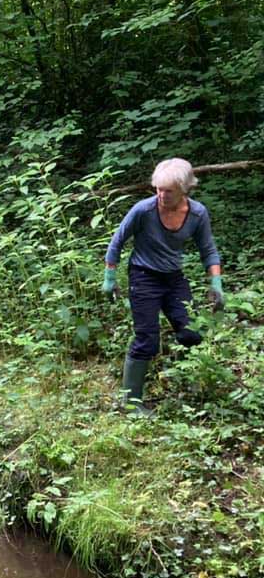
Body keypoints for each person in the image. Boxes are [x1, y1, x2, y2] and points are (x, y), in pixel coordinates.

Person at [102, 157, 223, 415]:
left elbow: (208, 250)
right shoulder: (144, 210)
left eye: (168, 190)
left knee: (191, 332)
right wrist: (109, 279)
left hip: (173, 278)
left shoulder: (198, 213)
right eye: (158, 188)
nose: (162, 195)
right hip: (143, 275)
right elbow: (117, 241)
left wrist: (216, 282)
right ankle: (131, 403)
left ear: (184, 189)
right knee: (147, 338)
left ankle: (182, 382)